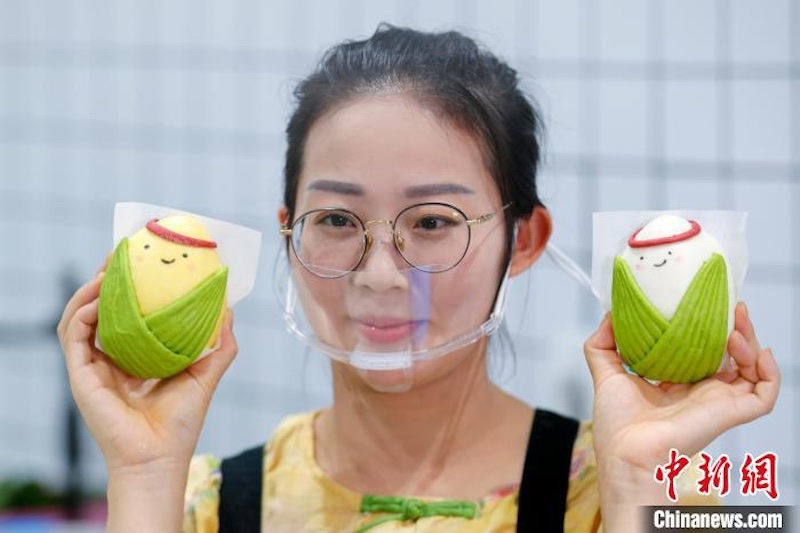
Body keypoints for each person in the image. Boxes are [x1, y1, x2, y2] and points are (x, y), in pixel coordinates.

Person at [57, 25, 780, 533]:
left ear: (524, 239)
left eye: (433, 222)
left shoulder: (642, 489)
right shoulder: (200, 503)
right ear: (287, 230)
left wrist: (640, 484)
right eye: (337, 220)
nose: (380, 274)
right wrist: (144, 474)